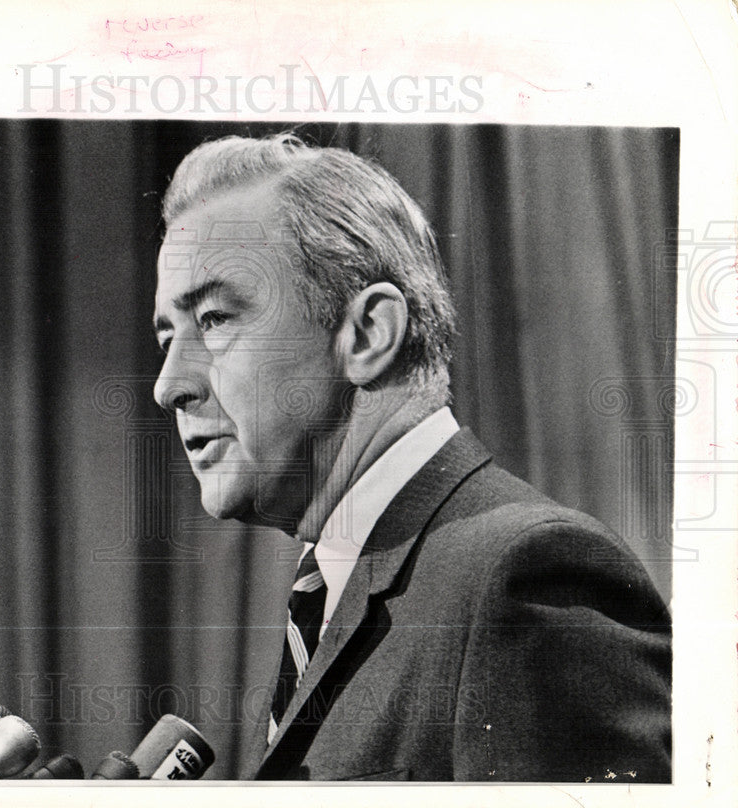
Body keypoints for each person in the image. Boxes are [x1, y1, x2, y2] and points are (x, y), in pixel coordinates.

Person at [151, 134, 671, 782]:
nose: (169, 384)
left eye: (214, 319)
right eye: (168, 336)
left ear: (368, 334)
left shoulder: (524, 574)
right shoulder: (333, 588)